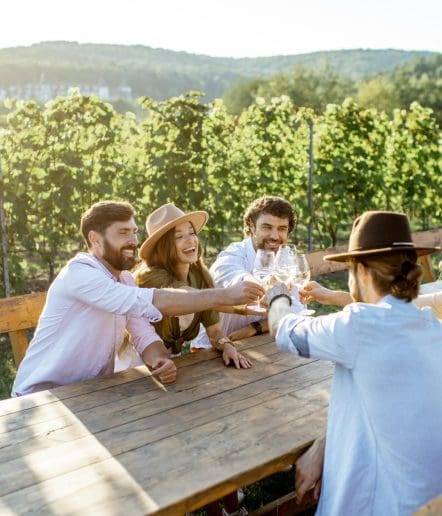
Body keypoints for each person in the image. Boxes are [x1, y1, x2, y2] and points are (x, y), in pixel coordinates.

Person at [265, 211, 442, 516]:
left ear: (361, 270)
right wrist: (325, 444)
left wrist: (277, 296)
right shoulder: (432, 327)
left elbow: (282, 331)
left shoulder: (358, 326)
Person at [12, 201, 263, 397]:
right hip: (42, 396)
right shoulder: (80, 273)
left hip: (91, 394)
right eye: (123, 233)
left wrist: (159, 360)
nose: (133, 241)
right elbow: (153, 300)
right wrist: (226, 294)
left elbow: (142, 332)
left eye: (133, 232)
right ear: (94, 239)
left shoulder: (125, 279)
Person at [126, 203, 252, 370]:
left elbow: (214, 331)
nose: (190, 240)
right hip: (136, 363)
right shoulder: (148, 276)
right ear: (164, 245)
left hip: (172, 363)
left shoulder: (199, 275)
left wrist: (227, 345)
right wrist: (241, 306)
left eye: (192, 233)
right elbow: (186, 296)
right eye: (179, 237)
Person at [193, 196, 301, 349]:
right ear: (251, 226)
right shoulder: (231, 255)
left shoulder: (286, 256)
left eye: (282, 229)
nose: (275, 236)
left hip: (260, 343)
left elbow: (296, 310)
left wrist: (255, 327)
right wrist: (267, 290)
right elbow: (240, 282)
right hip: (214, 348)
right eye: (267, 227)